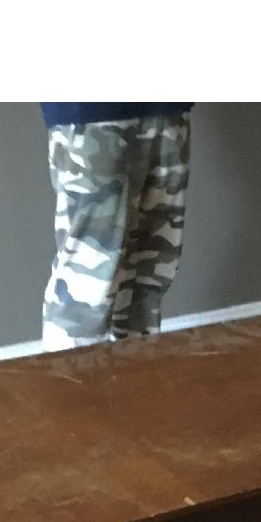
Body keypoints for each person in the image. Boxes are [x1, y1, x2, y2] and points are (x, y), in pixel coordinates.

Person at [39, 103, 192, 349]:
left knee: (147, 280)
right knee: (86, 288)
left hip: (167, 108)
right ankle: (68, 385)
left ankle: (132, 382)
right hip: (91, 112)